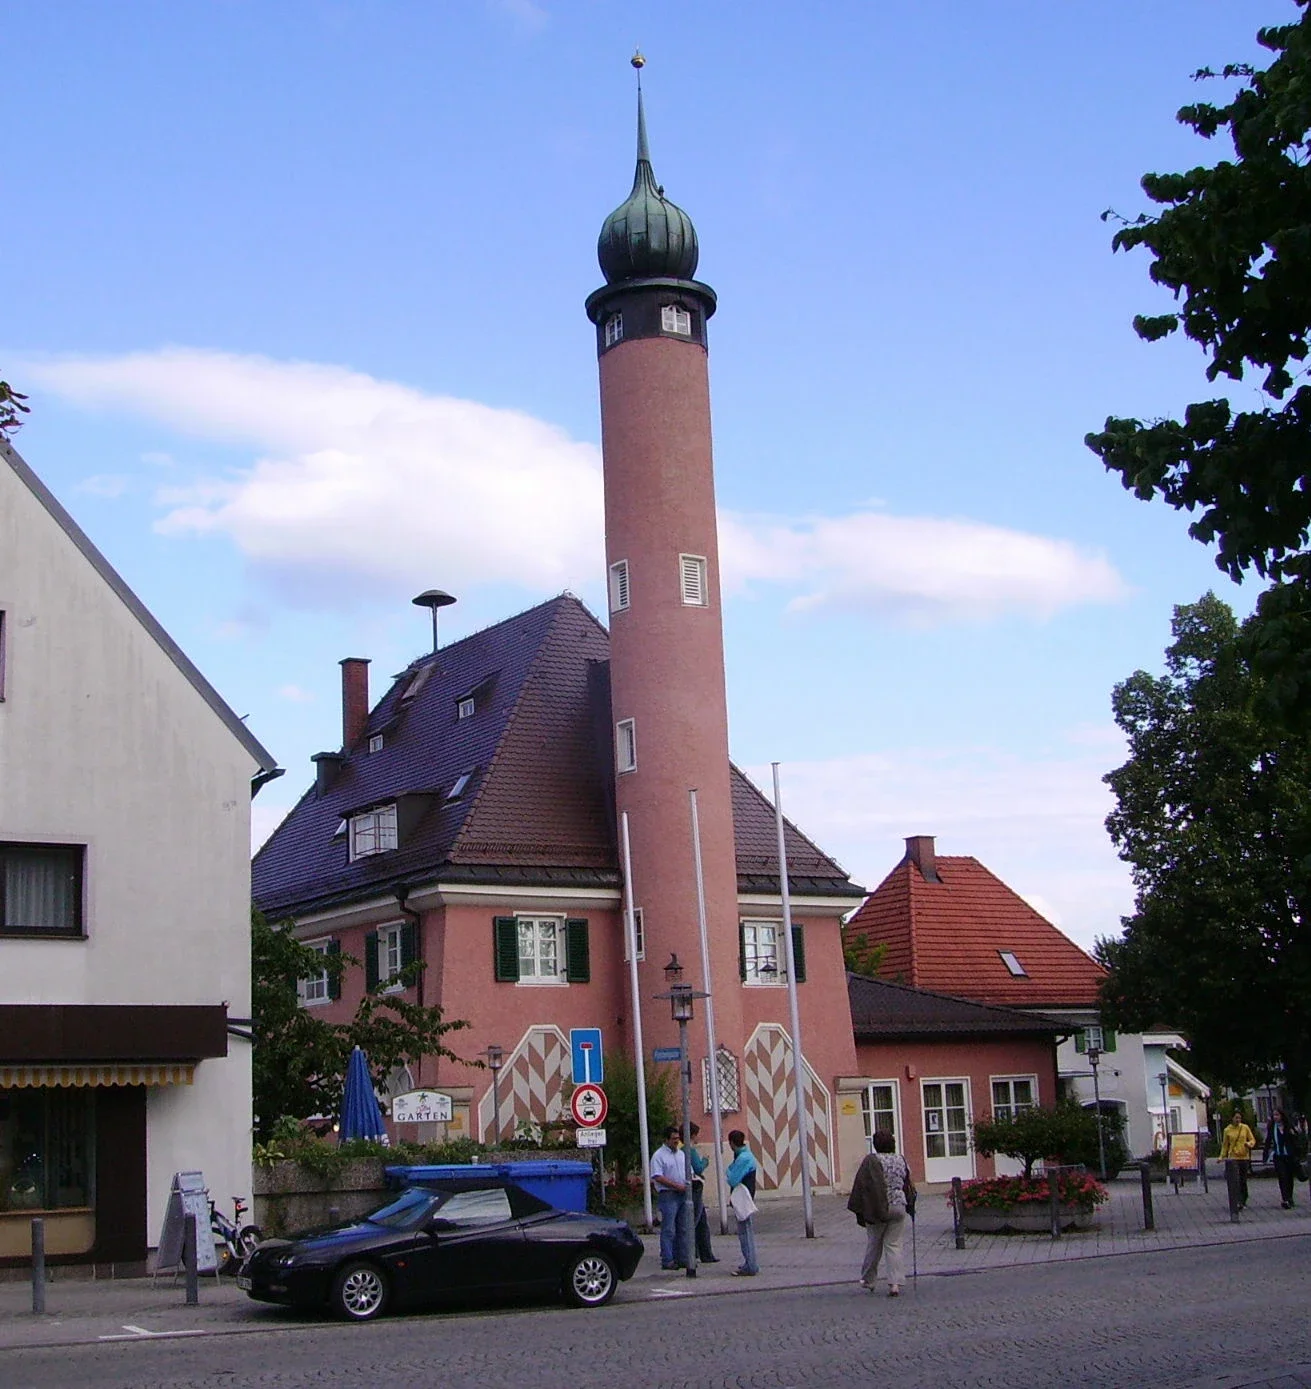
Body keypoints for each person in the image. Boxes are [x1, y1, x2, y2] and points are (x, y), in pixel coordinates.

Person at [847, 1129, 916, 1297]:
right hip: (899, 1205)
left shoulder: (871, 1161)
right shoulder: (901, 1159)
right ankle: (895, 1284)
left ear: (876, 1145)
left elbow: (862, 1185)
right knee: (894, 1245)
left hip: (878, 1207)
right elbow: (908, 1182)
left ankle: (869, 1280)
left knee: (874, 1244)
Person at [650, 1126, 690, 1270]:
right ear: (666, 1140)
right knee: (668, 1229)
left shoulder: (681, 1154)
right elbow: (657, 1176)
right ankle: (667, 1259)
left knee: (683, 1228)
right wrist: (675, 1185)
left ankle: (683, 1257)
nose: (676, 1142)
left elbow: (688, 1171)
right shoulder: (659, 1156)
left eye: (677, 1139)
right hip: (668, 1194)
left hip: (682, 1194)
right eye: (673, 1139)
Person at [725, 1129, 759, 1276]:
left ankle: (750, 1264)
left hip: (743, 1197)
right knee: (745, 1230)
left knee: (745, 1232)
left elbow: (733, 1179)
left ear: (732, 1143)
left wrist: (728, 1170)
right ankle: (750, 1263)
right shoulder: (746, 1155)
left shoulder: (743, 1158)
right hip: (745, 1195)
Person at [686, 1123, 719, 1263]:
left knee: (699, 1221)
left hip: (690, 1187)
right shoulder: (690, 1150)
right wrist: (705, 1160)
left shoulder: (681, 1149)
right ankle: (701, 1254)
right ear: (693, 1135)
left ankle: (701, 1253)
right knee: (697, 1221)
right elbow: (698, 1168)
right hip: (695, 1188)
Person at [1263, 1107, 1305, 1209]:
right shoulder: (1272, 1127)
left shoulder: (1288, 1126)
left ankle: (1289, 1198)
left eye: (1277, 1115)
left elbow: (1295, 1140)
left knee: (1289, 1178)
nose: (1275, 1117)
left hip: (1289, 1156)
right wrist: (1265, 1154)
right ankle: (1285, 1199)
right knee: (1282, 1177)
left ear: (1282, 1116)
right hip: (1278, 1156)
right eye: (1274, 1115)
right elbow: (1268, 1141)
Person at [1220, 1106, 1258, 1209]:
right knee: (1235, 1180)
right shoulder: (1227, 1130)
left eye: (1239, 1118)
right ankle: (1237, 1200)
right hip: (1233, 1158)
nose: (1238, 1120)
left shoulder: (1245, 1128)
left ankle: (1243, 1199)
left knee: (1243, 1180)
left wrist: (1249, 1144)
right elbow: (1225, 1145)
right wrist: (1221, 1156)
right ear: (1232, 1118)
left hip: (1244, 1157)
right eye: (1236, 1118)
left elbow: (1252, 1140)